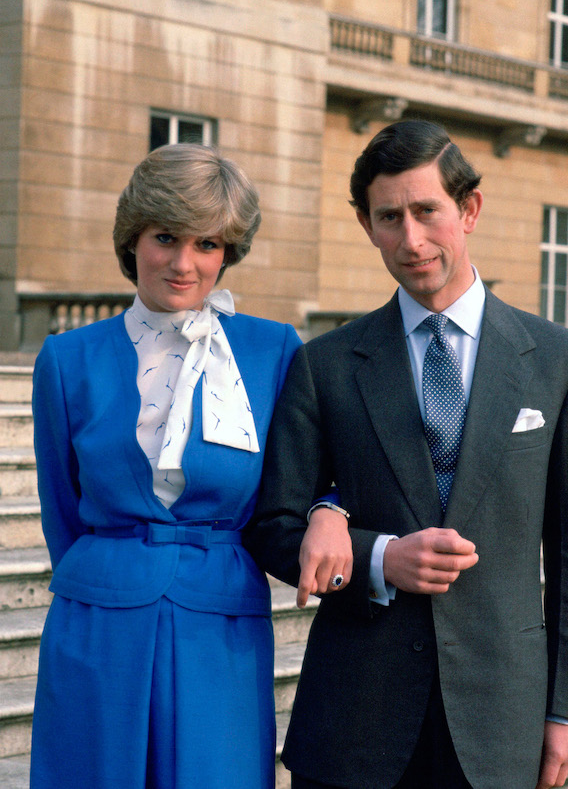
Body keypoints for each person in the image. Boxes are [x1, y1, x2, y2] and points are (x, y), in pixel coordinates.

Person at [246, 119, 568, 789]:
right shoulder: (324, 366)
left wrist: (567, 710)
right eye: (389, 218)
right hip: (355, 719)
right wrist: (378, 556)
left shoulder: (561, 361)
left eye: (426, 212)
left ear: (468, 210)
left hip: (502, 718)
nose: (410, 240)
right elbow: (272, 526)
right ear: (366, 223)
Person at [30, 144, 353, 788]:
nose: (184, 263)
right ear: (133, 240)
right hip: (98, 616)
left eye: (207, 243)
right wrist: (109, 573)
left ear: (228, 251)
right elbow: (60, 509)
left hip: (222, 620)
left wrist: (331, 509)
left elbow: (319, 471)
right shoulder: (67, 360)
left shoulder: (274, 350)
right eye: (165, 237)